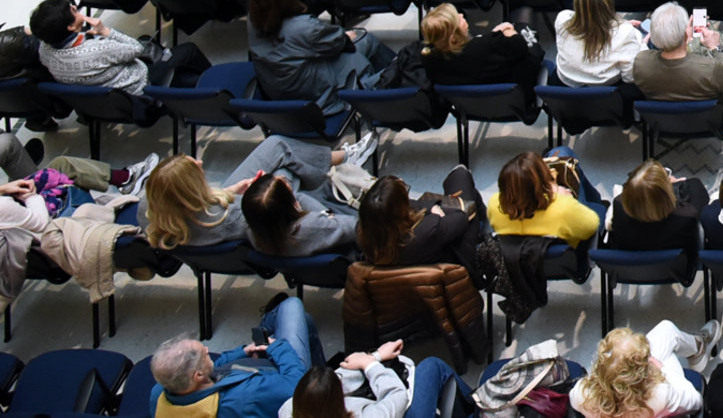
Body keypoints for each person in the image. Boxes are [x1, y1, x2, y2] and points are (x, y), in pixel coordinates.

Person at [140, 138, 362, 251]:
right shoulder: (236, 215)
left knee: (278, 154)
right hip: (250, 215)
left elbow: (203, 209)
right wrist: (265, 190)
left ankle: (331, 164)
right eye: (196, 168)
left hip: (219, 208)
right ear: (190, 190)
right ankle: (342, 159)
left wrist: (229, 192)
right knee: (282, 161)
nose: (200, 162)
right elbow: (262, 213)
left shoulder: (151, 212)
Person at [150, 297, 323, 418]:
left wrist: (244, 351)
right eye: (204, 353)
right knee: (292, 306)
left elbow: (215, 369)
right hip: (295, 381)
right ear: (198, 376)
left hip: (255, 374)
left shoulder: (161, 393)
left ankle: (325, 374)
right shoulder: (245, 396)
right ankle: (326, 385)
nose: (208, 349)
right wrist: (276, 347)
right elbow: (297, 386)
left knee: (304, 322)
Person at [248, 0, 385, 115]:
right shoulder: (304, 27)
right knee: (366, 40)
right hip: (316, 96)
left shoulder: (252, 20)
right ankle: (393, 85)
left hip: (278, 91)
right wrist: (346, 36)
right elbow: (337, 44)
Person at [31, 0, 207, 92]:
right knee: (188, 50)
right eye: (73, 10)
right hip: (140, 84)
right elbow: (136, 49)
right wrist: (105, 31)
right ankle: (210, 85)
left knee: (146, 39)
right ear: (70, 26)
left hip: (104, 89)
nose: (76, 8)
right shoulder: (98, 49)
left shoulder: (44, 50)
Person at [281, 342, 466, 418]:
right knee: (432, 366)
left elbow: (337, 379)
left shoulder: (287, 410)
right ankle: (480, 407)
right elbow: (397, 395)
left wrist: (376, 356)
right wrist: (370, 364)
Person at [575, 325, 723, 418]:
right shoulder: (660, 394)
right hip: (655, 403)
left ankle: (698, 348)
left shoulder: (582, 393)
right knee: (667, 332)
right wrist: (663, 370)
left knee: (666, 329)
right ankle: (698, 348)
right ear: (642, 372)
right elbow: (695, 401)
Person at [356, 169, 487, 271]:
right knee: (461, 176)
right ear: (400, 209)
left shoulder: (363, 231)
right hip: (456, 265)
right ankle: (487, 231)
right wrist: (438, 214)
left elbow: (414, 205)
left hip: (413, 277)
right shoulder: (427, 229)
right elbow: (461, 217)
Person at [630, 0, 723, 104]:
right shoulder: (712, 67)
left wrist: (689, 42)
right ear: (685, 32)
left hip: (663, 120)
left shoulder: (640, 62)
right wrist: (716, 48)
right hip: (709, 118)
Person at [485, 150, 599, 244]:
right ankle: (597, 201)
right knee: (566, 156)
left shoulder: (494, 204)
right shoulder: (564, 208)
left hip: (515, 267)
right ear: (542, 185)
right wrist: (556, 193)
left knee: (557, 153)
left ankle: (548, 154)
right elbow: (592, 226)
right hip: (567, 264)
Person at [416, 4, 544, 87]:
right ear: (453, 39)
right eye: (458, 19)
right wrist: (507, 31)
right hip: (517, 95)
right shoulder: (489, 45)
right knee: (524, 11)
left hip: (473, 107)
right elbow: (520, 46)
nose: (461, 15)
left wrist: (494, 35)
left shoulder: (429, 59)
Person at [552, 0, 644, 87]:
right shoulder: (625, 33)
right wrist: (641, 42)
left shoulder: (562, 19)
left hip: (566, 86)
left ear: (576, 2)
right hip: (606, 91)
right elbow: (629, 77)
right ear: (609, 2)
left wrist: (621, 27)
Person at [243, 168, 357, 256]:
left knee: (287, 169)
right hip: (343, 247)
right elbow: (357, 226)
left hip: (302, 265)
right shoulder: (313, 226)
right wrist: (327, 216)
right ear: (288, 205)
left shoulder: (255, 232)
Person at [607, 159, 707, 253]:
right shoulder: (686, 215)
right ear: (667, 193)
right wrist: (673, 185)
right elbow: (701, 198)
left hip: (630, 266)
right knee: (694, 184)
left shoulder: (619, 204)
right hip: (675, 267)